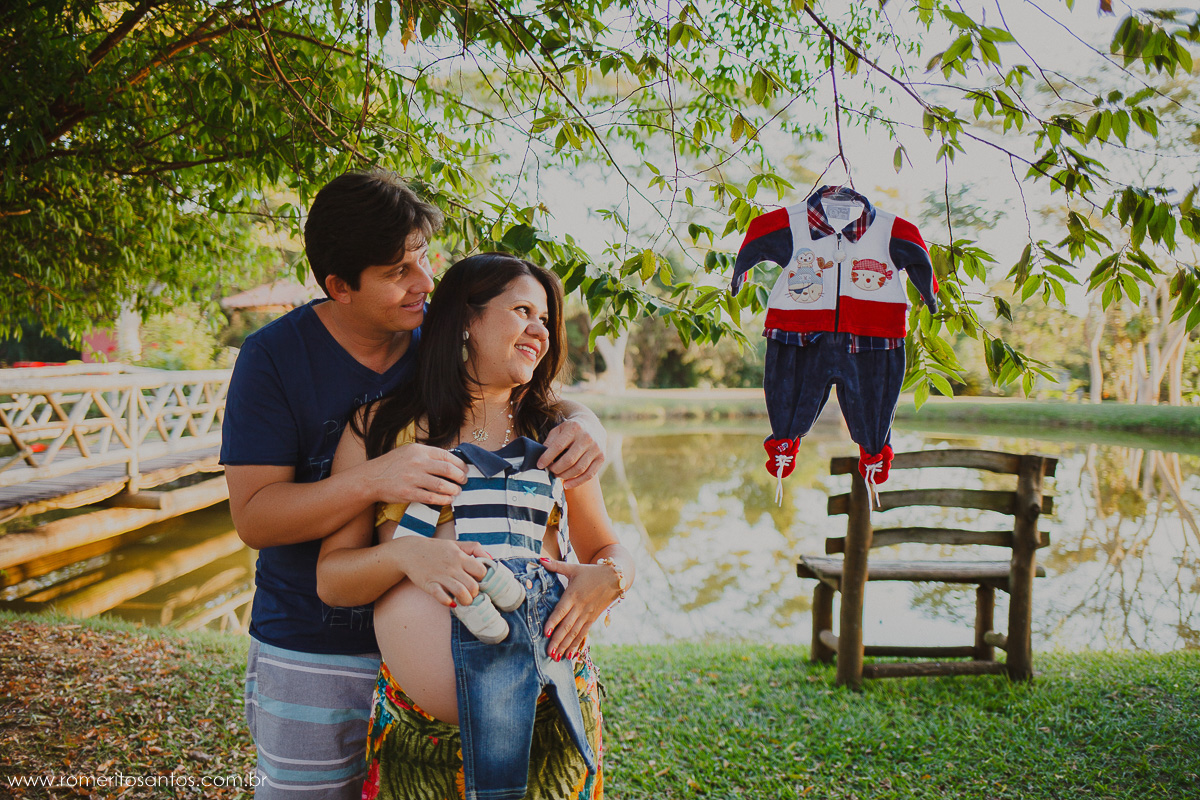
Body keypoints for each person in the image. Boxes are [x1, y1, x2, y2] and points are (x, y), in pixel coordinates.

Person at [220, 170, 607, 799]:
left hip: (480, 673)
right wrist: (376, 479)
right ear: (340, 286)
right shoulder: (274, 359)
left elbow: (526, 387)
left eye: (423, 258)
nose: (424, 282)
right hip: (313, 640)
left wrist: (590, 427)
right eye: (400, 270)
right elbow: (254, 519)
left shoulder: (443, 330)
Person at [315, 253, 635, 800]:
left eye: (545, 319)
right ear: (466, 318)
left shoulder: (559, 434)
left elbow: (605, 545)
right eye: (522, 310)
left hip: (549, 720)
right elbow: (333, 579)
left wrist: (613, 577)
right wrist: (404, 557)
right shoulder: (382, 427)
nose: (540, 329)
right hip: (420, 741)